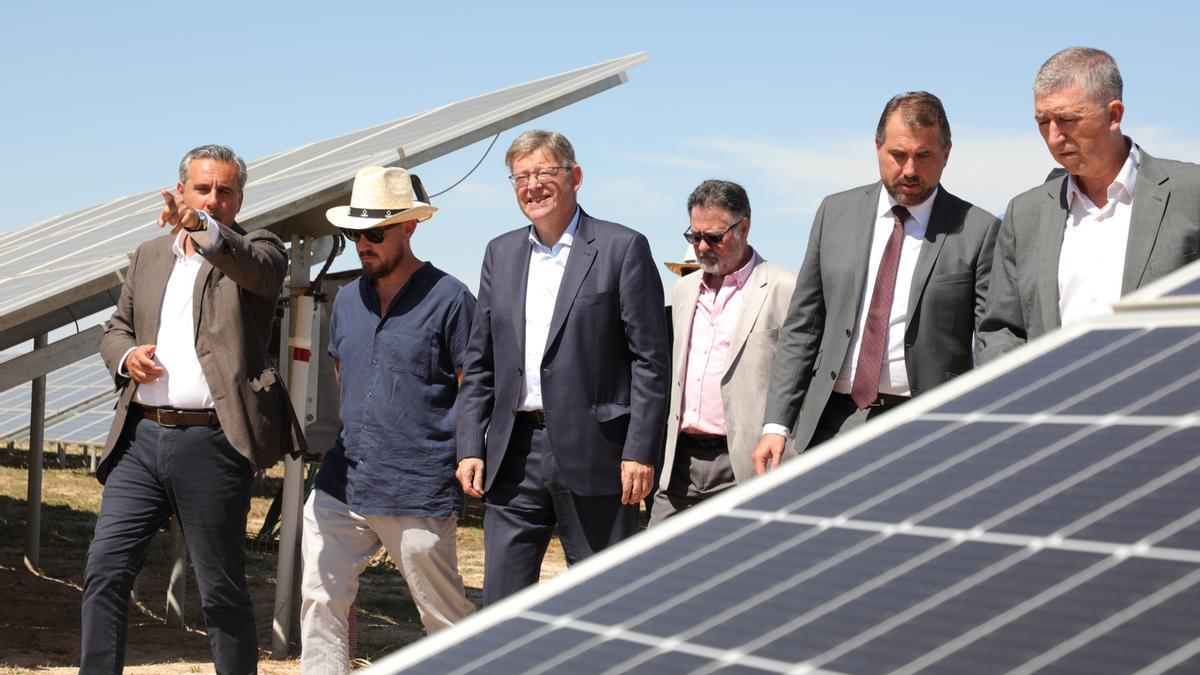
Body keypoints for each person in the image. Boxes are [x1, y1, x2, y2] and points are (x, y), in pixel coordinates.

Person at [84, 144, 305, 674]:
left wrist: (203, 229)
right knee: (105, 570)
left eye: (223, 191)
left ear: (239, 198)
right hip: (140, 439)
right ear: (181, 189)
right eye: (201, 188)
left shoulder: (259, 247)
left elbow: (259, 273)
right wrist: (126, 357)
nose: (212, 198)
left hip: (211, 442)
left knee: (220, 588)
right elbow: (117, 327)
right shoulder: (149, 255)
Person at [455, 129, 669, 604]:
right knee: (500, 608)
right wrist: (470, 443)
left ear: (574, 177)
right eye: (520, 177)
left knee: (601, 604)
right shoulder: (500, 253)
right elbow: (481, 360)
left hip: (600, 456)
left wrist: (640, 451)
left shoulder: (622, 248)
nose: (532, 186)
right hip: (513, 456)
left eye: (544, 173)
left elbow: (650, 361)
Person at [753, 92, 1001, 473]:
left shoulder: (979, 230)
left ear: (947, 154)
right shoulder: (834, 214)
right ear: (877, 147)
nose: (909, 170)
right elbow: (803, 327)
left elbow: (991, 341)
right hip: (833, 424)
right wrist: (776, 424)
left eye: (924, 156)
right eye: (898, 155)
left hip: (929, 430)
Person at [299, 166, 475, 673]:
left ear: (409, 227)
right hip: (343, 481)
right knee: (320, 600)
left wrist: (462, 458)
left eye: (375, 233)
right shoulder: (348, 298)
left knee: (443, 617)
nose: (364, 245)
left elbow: (473, 387)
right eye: (357, 233)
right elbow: (343, 374)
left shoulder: (451, 298)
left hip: (416, 485)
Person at [978, 47, 1200, 360]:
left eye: (1067, 119)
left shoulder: (1191, 193)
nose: (1054, 137)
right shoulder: (1024, 215)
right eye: (1043, 121)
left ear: (1114, 115)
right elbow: (1002, 328)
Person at [650, 180, 796, 524]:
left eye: (714, 237)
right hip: (679, 465)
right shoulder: (684, 291)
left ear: (743, 227)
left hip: (746, 462)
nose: (702, 246)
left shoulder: (784, 287)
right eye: (694, 237)